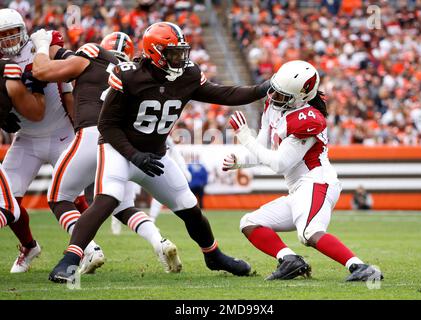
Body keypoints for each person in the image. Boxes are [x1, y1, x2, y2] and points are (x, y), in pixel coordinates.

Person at [47, 21, 270, 283]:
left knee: (189, 207)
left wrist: (263, 89)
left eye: (182, 51)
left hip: (155, 154)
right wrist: (134, 155)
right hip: (117, 148)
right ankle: (69, 260)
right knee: (108, 198)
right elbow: (107, 125)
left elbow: (224, 93)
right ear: (155, 53)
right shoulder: (128, 74)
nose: (181, 58)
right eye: (173, 53)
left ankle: (213, 255)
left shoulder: (187, 75)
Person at [31, 30, 182, 274]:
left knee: (58, 197)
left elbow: (42, 71)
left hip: (94, 133)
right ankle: (159, 242)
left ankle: (88, 249)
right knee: (121, 205)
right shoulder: (133, 70)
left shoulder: (92, 53)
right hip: (120, 142)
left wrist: (40, 44)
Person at [224, 60, 383, 281]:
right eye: (274, 91)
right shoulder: (274, 106)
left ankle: (360, 267)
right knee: (250, 223)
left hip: (317, 182)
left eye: (282, 95)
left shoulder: (309, 119)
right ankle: (290, 260)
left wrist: (245, 138)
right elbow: (263, 147)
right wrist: (240, 161)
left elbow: (279, 164)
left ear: (302, 95)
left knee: (309, 232)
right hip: (299, 189)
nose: (274, 97)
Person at [0, 8, 88, 273]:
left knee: (72, 195)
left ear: (23, 30)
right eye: (2, 36)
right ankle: (29, 246)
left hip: (60, 130)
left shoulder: (43, 42)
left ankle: (87, 246)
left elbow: (69, 69)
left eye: (12, 33)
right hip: (26, 138)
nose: (7, 40)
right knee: (7, 201)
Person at [0, 56, 45, 268]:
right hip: (30, 137)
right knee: (8, 207)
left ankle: (88, 247)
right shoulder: (7, 66)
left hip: (51, 133)